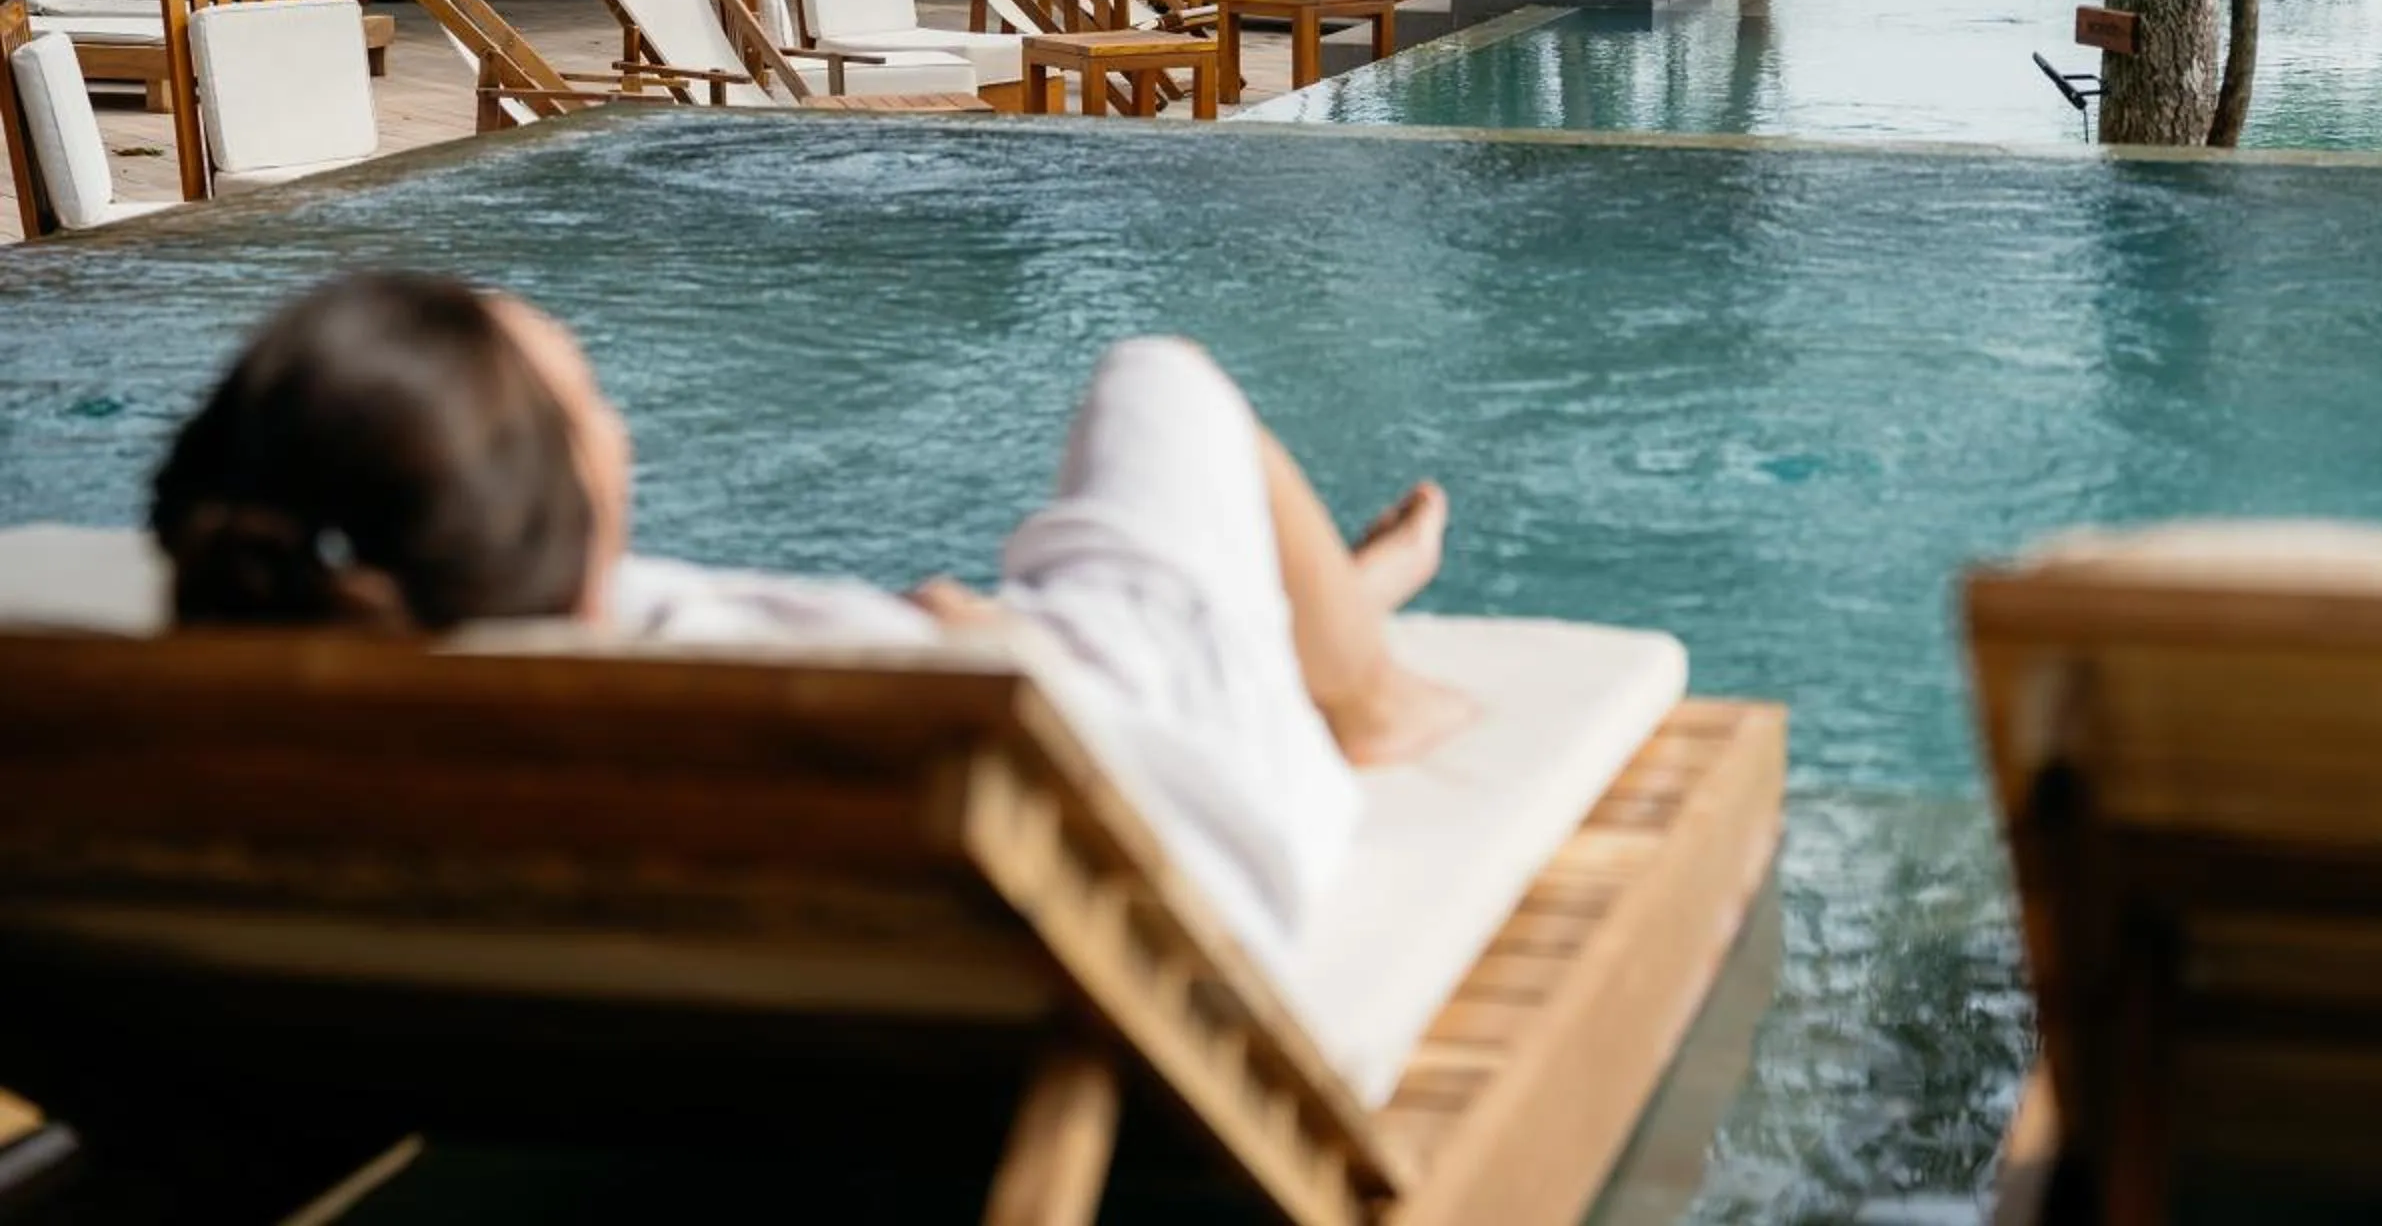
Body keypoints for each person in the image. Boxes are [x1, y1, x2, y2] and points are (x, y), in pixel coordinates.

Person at [150, 273, 1472, 968]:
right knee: (1161, 379)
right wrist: (969, 651)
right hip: (1160, 787)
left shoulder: (254, 690)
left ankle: (1304, 612)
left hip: (998, 698)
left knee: (1133, 549)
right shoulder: (739, 720)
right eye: (592, 407)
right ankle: (1363, 687)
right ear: (564, 532)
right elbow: (1029, 744)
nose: (617, 429)